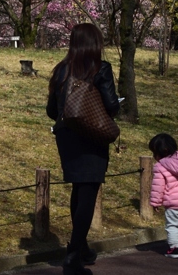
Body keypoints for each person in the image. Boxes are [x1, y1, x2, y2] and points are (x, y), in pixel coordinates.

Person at [47, 23, 121, 275]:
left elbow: (51, 111)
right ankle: (72, 258)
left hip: (67, 138)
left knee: (79, 190)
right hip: (92, 137)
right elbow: (111, 105)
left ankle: (82, 248)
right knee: (88, 194)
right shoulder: (101, 68)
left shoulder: (61, 70)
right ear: (95, 43)